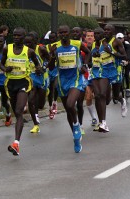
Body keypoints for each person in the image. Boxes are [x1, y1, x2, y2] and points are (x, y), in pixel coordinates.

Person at [48, 25, 91, 153]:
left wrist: (84, 64)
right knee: (68, 110)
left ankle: (77, 125)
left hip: (75, 79)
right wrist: (51, 55)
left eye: (65, 32)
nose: (63, 34)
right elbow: (50, 67)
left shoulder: (77, 44)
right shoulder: (55, 47)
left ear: (69, 33)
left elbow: (88, 52)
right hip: (62, 81)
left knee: (70, 104)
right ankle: (75, 136)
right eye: (60, 33)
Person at [0, 27, 41, 156]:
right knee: (16, 114)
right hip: (10, 83)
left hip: (24, 82)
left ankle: (16, 143)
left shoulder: (29, 51)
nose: (16, 37)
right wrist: (5, 69)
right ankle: (17, 142)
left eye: (19, 36)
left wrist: (39, 69)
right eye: (14, 35)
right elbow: (0, 64)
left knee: (19, 110)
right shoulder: (8, 48)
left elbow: (37, 64)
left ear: (24, 37)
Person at [93, 24, 127, 132]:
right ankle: (103, 123)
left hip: (115, 71)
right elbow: (99, 53)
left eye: (109, 30)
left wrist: (111, 52)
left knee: (115, 97)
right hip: (104, 72)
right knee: (101, 94)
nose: (106, 31)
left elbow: (124, 56)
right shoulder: (101, 42)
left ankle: (122, 100)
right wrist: (97, 54)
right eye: (105, 30)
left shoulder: (116, 42)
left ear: (113, 32)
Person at [24, 31, 50, 134]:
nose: (27, 45)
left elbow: (49, 58)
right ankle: (35, 123)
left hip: (42, 78)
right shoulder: (25, 51)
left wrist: (43, 68)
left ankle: (45, 92)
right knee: (31, 100)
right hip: (31, 77)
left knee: (40, 105)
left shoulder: (41, 49)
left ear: (35, 41)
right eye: (25, 43)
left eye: (29, 43)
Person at [84, 29, 98, 126]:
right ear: (85, 38)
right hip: (86, 75)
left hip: (98, 74)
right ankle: (93, 117)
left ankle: (101, 116)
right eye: (88, 36)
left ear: (94, 38)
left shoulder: (98, 46)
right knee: (88, 97)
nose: (89, 37)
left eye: (91, 36)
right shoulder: (82, 47)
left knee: (100, 97)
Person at [46, 31, 59, 119]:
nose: (52, 40)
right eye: (50, 38)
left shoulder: (59, 47)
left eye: (54, 38)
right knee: (50, 89)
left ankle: (55, 102)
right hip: (49, 70)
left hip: (57, 70)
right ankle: (50, 107)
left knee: (55, 86)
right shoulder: (46, 47)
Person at [116, 32, 130, 98]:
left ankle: (128, 89)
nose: (119, 40)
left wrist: (127, 60)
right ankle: (119, 90)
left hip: (127, 60)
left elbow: (129, 52)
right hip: (119, 60)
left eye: (121, 38)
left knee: (126, 74)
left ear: (123, 39)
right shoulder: (115, 44)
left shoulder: (126, 44)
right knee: (118, 75)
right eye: (118, 38)